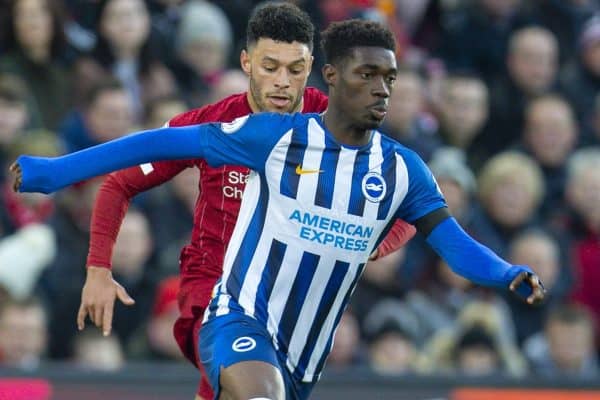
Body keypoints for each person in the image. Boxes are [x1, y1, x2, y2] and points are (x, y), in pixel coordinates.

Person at [11, 19, 546, 399]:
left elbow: (444, 236)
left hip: (305, 336)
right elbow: (143, 151)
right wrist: (54, 174)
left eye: (391, 80)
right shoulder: (261, 133)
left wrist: (503, 272)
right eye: (270, 67)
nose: (282, 83)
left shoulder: (400, 167)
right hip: (225, 295)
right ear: (248, 63)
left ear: (313, 70)